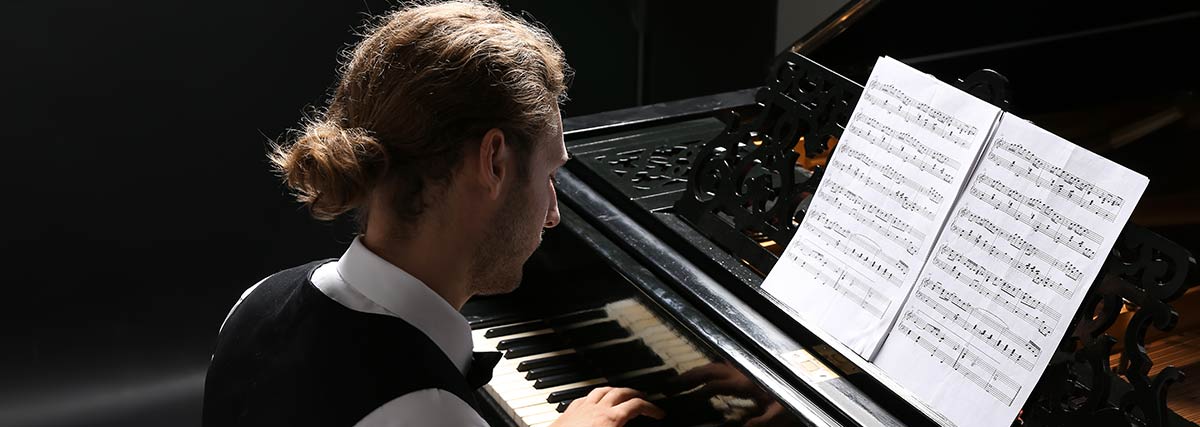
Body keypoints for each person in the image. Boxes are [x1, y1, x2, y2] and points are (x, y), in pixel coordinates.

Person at [201, 1, 665, 426]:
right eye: (548, 175)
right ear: (494, 163)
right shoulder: (426, 412)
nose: (552, 215)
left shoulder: (255, 300)